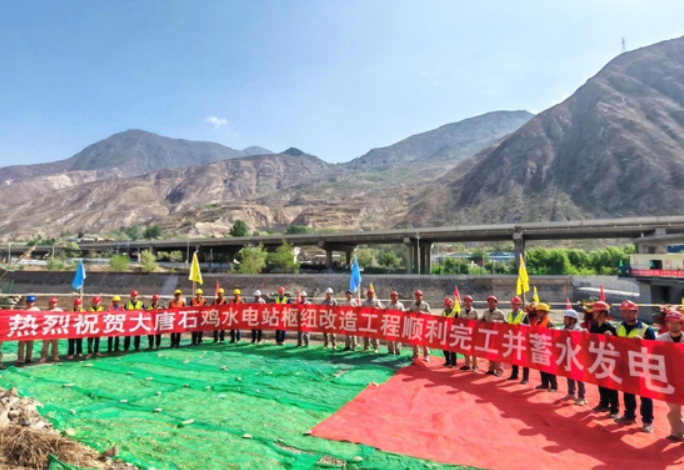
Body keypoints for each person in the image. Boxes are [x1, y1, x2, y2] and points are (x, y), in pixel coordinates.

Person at [612, 300, 656, 433]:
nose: (627, 314)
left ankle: (647, 421)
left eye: (629, 312)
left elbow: (655, 350)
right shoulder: (619, 327)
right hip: (625, 366)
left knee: (645, 395)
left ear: (636, 312)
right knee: (627, 391)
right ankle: (629, 415)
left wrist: (643, 342)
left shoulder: (646, 330)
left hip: (642, 367)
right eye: (624, 312)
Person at [589, 300, 619, 418]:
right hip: (598, 358)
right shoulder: (594, 325)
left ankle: (614, 408)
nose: (593, 314)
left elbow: (618, 344)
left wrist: (611, 337)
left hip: (609, 360)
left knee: (611, 384)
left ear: (602, 313)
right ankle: (604, 403)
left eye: (595, 312)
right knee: (600, 381)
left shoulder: (610, 328)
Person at [657, 310, 684, 441]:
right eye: (670, 322)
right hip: (670, 378)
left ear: (681, 324)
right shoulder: (660, 339)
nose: (673, 325)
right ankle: (677, 432)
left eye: (676, 322)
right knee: (674, 407)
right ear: (666, 323)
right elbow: (652, 354)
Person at [560, 309, 587, 405]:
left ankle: (582, 396)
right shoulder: (563, 328)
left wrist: (570, 334)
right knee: (569, 374)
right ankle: (571, 393)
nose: (564, 319)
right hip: (568, 356)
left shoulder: (578, 330)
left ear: (572, 320)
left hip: (577, 357)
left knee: (579, 376)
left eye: (566, 318)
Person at [531, 303, 558, 391]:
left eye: (539, 311)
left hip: (547, 349)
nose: (538, 313)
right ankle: (545, 383)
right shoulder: (538, 321)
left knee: (549, 368)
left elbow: (554, 334)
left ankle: (553, 386)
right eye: (537, 311)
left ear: (544, 312)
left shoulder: (549, 322)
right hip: (539, 347)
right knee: (542, 367)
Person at [506, 296, 530, 384]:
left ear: (519, 305)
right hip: (512, 339)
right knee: (513, 357)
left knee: (524, 359)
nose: (513, 305)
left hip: (522, 340)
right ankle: (514, 374)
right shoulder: (509, 314)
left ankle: (525, 378)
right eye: (512, 304)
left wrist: (522, 324)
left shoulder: (524, 315)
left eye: (515, 304)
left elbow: (529, 326)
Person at [483, 295, 505, 376]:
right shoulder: (485, 312)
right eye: (489, 302)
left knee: (498, 353)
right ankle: (491, 369)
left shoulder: (500, 313)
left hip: (497, 336)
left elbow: (505, 323)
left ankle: (499, 370)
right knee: (490, 352)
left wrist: (497, 322)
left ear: (496, 303)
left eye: (492, 302)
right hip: (489, 336)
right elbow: (482, 320)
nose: (490, 303)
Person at [408, 290, 431, 362]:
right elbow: (410, 312)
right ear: (415, 296)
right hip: (415, 324)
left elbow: (429, 313)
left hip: (423, 325)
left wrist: (423, 313)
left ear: (422, 296)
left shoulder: (425, 304)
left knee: (424, 341)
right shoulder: (412, 304)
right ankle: (415, 354)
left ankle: (426, 355)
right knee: (415, 340)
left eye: (420, 296)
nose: (418, 297)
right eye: (417, 296)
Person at [17, 295, 39, 366]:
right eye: (29, 301)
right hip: (23, 331)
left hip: (31, 331)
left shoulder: (37, 310)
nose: (30, 303)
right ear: (27, 302)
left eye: (32, 301)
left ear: (34, 302)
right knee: (21, 346)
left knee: (30, 346)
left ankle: (28, 358)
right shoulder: (22, 310)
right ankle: (20, 359)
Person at [461, 295, 481, 371]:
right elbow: (459, 321)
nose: (467, 302)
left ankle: (475, 366)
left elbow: (479, 322)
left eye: (469, 301)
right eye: (466, 301)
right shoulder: (461, 312)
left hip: (473, 334)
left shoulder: (475, 312)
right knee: (465, 349)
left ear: (471, 302)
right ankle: (467, 365)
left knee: (474, 350)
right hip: (464, 333)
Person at [40, 297, 62, 363]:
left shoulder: (59, 311)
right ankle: (43, 356)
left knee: (55, 344)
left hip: (55, 330)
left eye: (55, 303)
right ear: (49, 303)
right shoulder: (45, 311)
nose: (53, 304)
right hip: (47, 330)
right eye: (52, 303)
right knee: (45, 344)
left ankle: (55, 355)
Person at [361, 289, 384, 353]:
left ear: (373, 294)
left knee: (374, 334)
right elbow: (361, 309)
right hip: (366, 320)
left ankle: (376, 348)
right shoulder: (365, 302)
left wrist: (376, 308)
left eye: (371, 294)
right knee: (366, 334)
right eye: (369, 294)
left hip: (374, 320)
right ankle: (366, 347)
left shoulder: (377, 301)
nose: (370, 295)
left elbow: (382, 309)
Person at [385, 291, 405, 355]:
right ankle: (391, 350)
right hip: (390, 323)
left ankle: (397, 350)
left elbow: (403, 314)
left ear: (397, 297)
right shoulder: (388, 304)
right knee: (389, 338)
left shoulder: (400, 305)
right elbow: (385, 312)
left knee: (397, 338)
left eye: (395, 296)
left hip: (398, 324)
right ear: (390, 297)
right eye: (392, 296)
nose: (394, 297)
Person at [441, 297, 459, 367]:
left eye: (448, 305)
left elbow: (458, 323)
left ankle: (453, 363)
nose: (447, 306)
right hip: (445, 332)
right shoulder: (443, 312)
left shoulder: (455, 313)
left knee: (452, 349)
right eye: (446, 305)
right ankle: (448, 361)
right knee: (444, 348)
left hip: (453, 333)